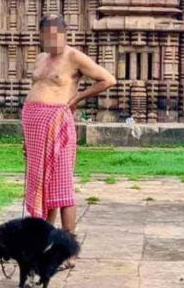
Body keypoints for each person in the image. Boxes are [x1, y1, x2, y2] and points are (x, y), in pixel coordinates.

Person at [21, 14, 117, 270]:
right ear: (41, 36)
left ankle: (68, 251)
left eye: (58, 34)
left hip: (58, 127)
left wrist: (78, 97)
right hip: (34, 129)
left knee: (61, 188)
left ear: (65, 34)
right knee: (42, 186)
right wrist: (26, 141)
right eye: (48, 35)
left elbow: (108, 79)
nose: (53, 39)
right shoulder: (41, 59)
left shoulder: (74, 57)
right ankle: (43, 244)